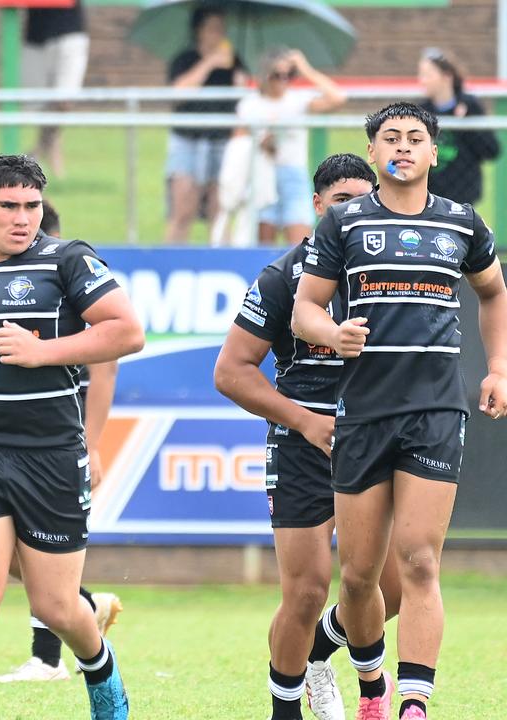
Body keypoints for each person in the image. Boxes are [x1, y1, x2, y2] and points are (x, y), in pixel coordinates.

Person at [0, 154, 145, 720]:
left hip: (49, 457)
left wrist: (43, 352)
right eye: (9, 206)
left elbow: (127, 331)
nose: (22, 218)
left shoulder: (67, 260)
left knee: (56, 604)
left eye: (32, 206)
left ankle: (99, 666)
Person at [293, 103, 507, 720]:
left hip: (436, 410)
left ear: (434, 153)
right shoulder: (347, 225)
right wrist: (330, 334)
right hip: (362, 414)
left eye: (417, 138)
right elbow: (306, 308)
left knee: (419, 558)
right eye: (392, 138)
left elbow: (493, 291)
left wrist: (497, 367)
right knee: (359, 578)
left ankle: (415, 703)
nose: (405, 147)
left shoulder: (463, 224)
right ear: (374, 149)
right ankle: (370, 681)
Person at [216, 153, 405, 720]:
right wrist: (304, 420)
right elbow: (231, 372)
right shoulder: (282, 276)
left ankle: (322, 653)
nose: (353, 212)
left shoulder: (396, 270)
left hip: (378, 442)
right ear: (318, 207)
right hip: (304, 445)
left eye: (363, 200)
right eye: (340, 202)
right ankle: (288, 709)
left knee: (385, 590)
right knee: (304, 592)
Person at [0, 200, 122, 684]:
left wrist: (92, 445)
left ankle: (47, 659)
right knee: (1, 551)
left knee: (38, 542)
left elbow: (106, 367)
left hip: (61, 443)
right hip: (3, 443)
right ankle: (84, 604)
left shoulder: (73, 277)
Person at [234, 49, 345, 245]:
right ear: (265, 75)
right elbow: (239, 143)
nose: (283, 80)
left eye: (289, 75)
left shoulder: (297, 100)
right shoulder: (250, 104)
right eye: (278, 75)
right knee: (264, 248)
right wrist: (265, 140)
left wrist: (305, 68)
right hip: (263, 176)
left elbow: (337, 97)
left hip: (294, 175)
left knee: (300, 246)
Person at [165, 5, 248, 243]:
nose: (219, 34)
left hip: (222, 140)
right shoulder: (185, 59)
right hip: (187, 140)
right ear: (198, 31)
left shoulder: (235, 62)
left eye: (222, 29)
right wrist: (210, 62)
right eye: (213, 28)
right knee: (183, 208)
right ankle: (171, 260)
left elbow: (245, 99)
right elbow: (177, 95)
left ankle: (220, 258)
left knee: (219, 208)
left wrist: (241, 81)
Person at [417, 47, 500, 206]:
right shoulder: (421, 112)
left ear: (447, 76)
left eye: (428, 75)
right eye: (421, 75)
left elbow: (491, 150)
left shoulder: (469, 106)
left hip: (464, 198)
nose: (422, 80)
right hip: (430, 200)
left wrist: (464, 123)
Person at [23, 0, 88, 178]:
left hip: (69, 29)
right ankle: (50, 156)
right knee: (40, 104)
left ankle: (37, 152)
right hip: (36, 33)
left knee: (64, 100)